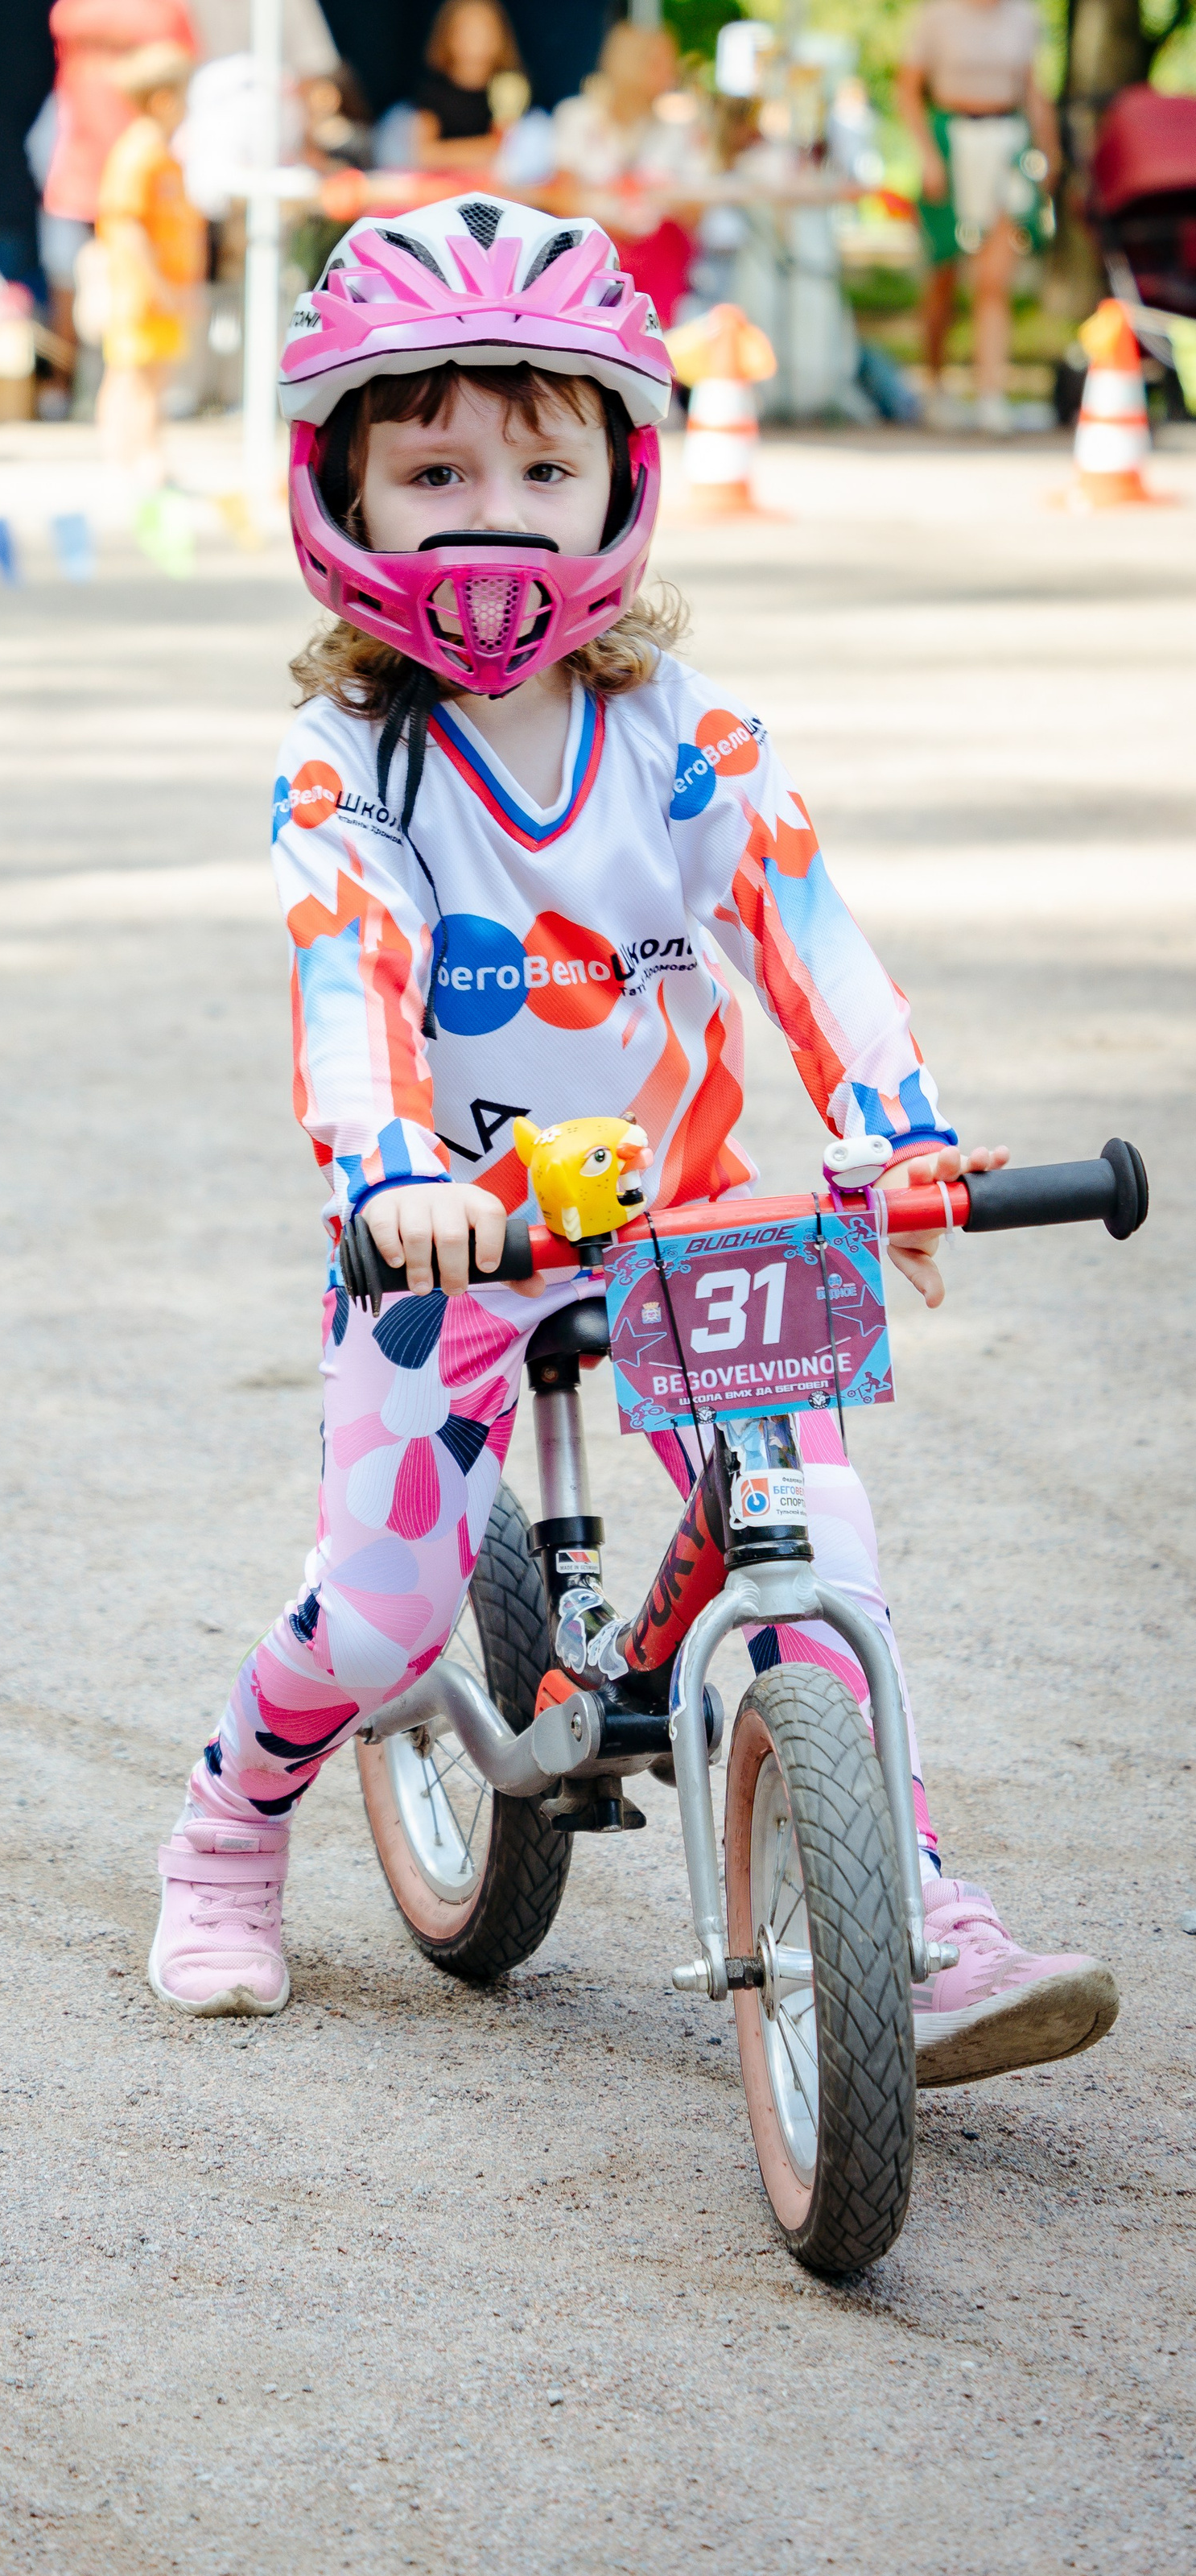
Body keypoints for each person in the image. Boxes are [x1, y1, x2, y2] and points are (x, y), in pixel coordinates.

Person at [145, 192, 1120, 2095]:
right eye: (432, 466)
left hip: (688, 1223)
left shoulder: (687, 737)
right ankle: (226, 1822)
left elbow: (801, 926)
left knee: (814, 1538)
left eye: (538, 458)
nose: (489, 510)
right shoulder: (354, 769)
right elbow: (344, 974)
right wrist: (385, 1177)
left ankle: (905, 1908)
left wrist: (894, 1133)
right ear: (339, 492)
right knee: (385, 1606)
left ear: (619, 488)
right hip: (450, 1235)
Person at [897, 0, 1058, 435]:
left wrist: (1048, 150)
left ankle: (991, 395)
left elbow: (1030, 87)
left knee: (994, 281)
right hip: (951, 139)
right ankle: (935, 385)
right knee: (943, 276)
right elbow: (908, 90)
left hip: (1005, 140)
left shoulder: (1024, 17)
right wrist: (928, 156)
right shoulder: (935, 17)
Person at [539, 18, 707, 326]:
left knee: (666, 246)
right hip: (592, 256)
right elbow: (561, 198)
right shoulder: (577, 116)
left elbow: (695, 213)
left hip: (655, 261)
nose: (670, 73)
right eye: (658, 63)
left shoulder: (678, 132)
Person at [95, 41, 205, 482]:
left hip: (166, 288)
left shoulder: (162, 152)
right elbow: (126, 224)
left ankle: (141, 450)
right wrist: (156, 284)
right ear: (163, 99)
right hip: (143, 292)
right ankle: (133, 455)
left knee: (154, 376)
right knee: (136, 377)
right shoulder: (140, 153)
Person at [412, 0, 520, 174]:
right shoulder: (433, 92)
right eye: (467, 31)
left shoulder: (510, 89)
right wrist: (484, 149)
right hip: (445, 187)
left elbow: (511, 151)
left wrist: (449, 152)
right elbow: (424, 155)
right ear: (448, 36)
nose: (477, 39)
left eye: (485, 31)